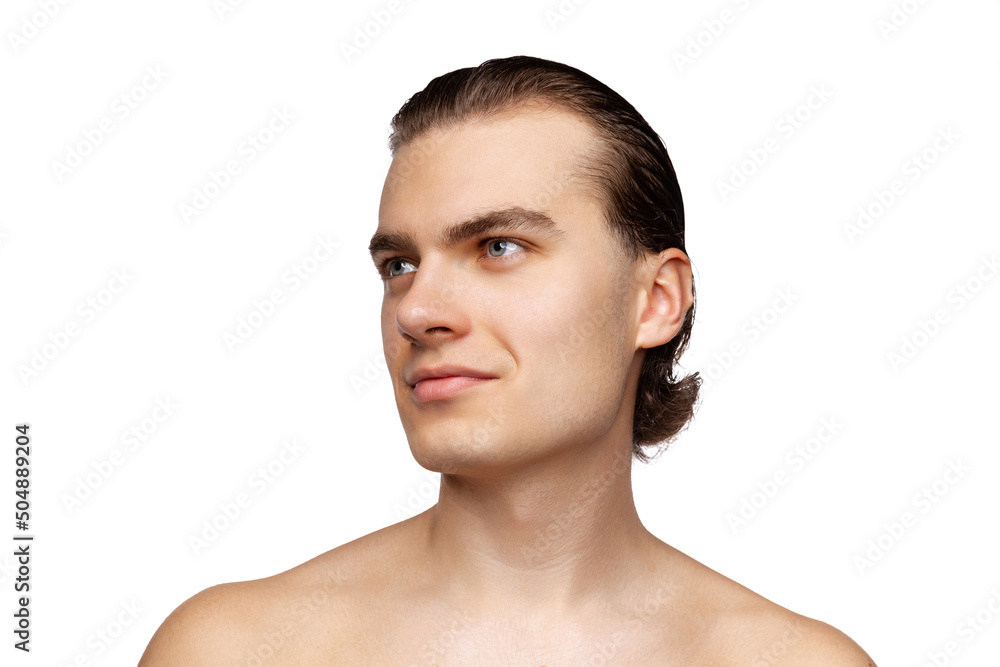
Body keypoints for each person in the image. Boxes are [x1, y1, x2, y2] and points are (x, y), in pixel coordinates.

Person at [139, 55, 876, 665]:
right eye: (399, 265)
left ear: (655, 300)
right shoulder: (232, 651)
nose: (416, 311)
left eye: (498, 247)